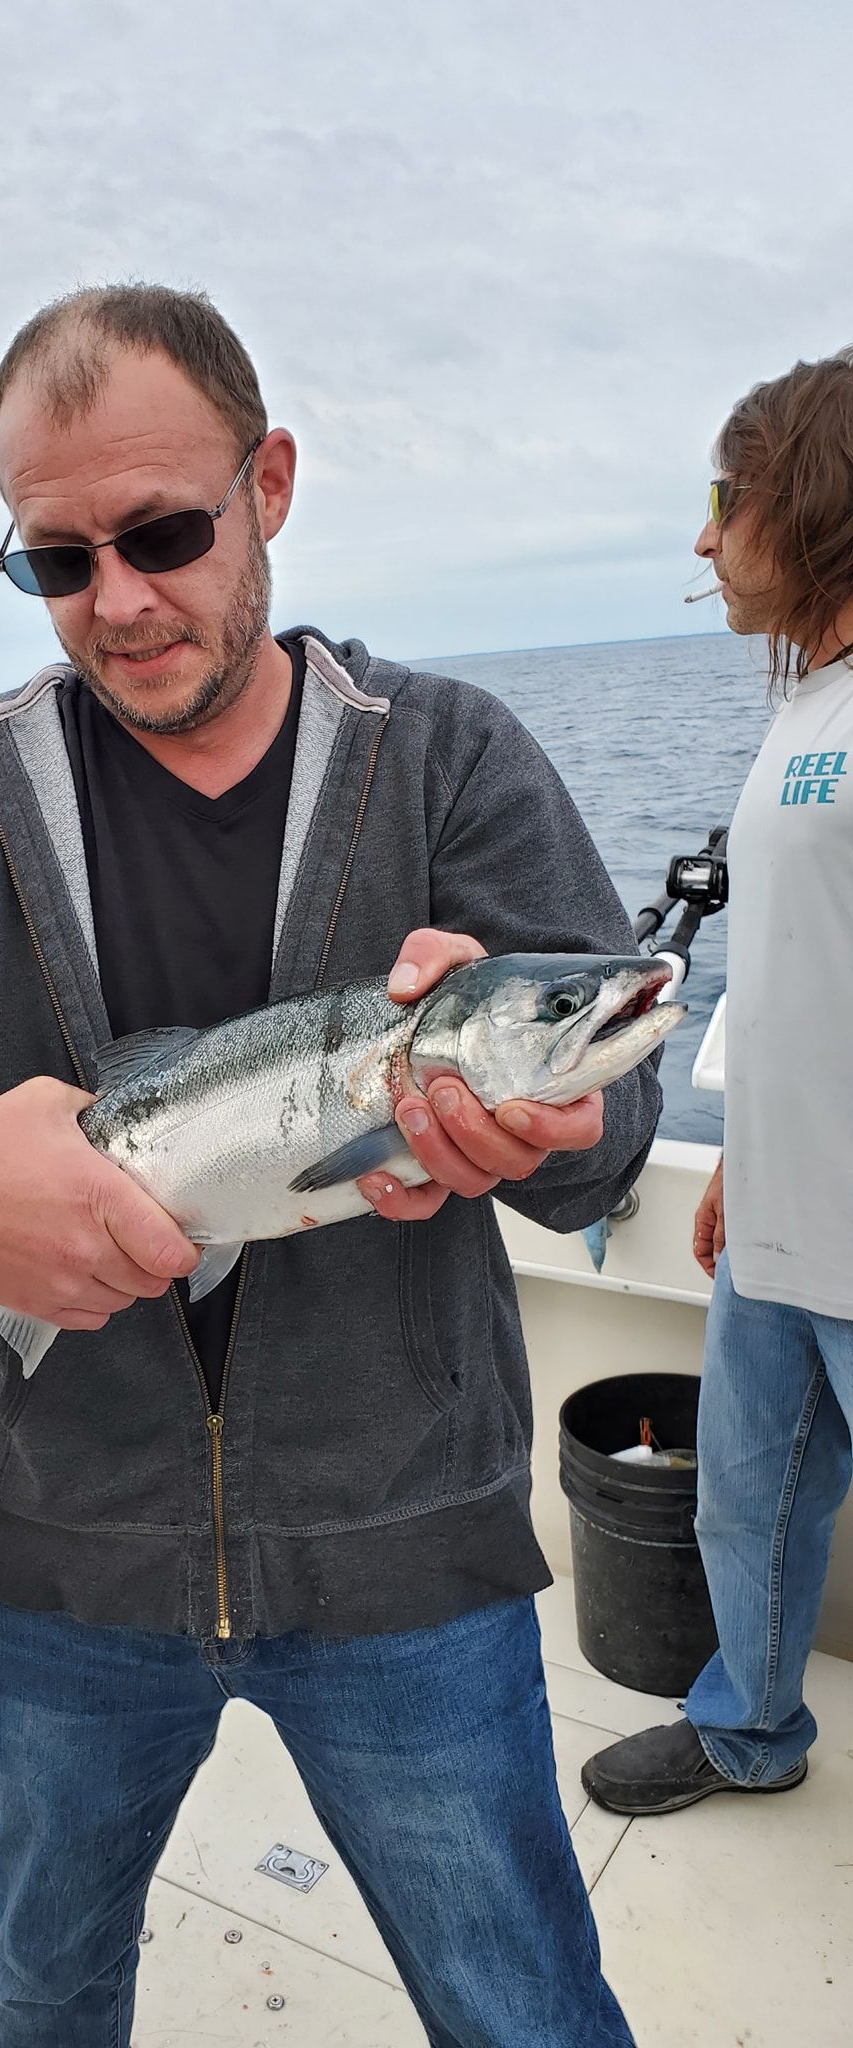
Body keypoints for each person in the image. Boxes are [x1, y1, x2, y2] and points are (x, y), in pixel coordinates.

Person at [0, 284, 658, 2047]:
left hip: (408, 1558)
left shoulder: (449, 760)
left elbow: (604, 1162)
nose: (121, 600)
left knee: (522, 2003)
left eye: (163, 532)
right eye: (57, 562)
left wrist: (568, 1135)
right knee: (49, 1982)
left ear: (270, 484)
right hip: (61, 1563)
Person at [583, 349, 853, 1819]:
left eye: (724, 498)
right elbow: (812, 963)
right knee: (744, 1501)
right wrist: (749, 1156)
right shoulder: (805, 707)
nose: (704, 536)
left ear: (808, 500)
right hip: (787, 1230)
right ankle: (750, 1729)